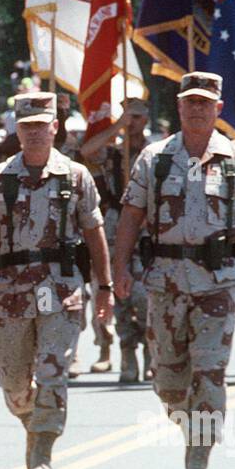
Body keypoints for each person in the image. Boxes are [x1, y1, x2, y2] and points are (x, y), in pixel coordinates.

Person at [112, 72, 235, 469]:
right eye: (191, 102)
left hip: (217, 282)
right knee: (169, 381)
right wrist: (118, 270)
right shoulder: (154, 158)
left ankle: (198, 455)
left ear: (218, 108)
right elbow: (131, 216)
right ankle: (187, 419)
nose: (198, 108)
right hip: (164, 280)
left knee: (210, 371)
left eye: (206, 102)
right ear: (179, 107)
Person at [0, 92, 113, 469]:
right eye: (26, 126)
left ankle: (43, 447)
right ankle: (32, 420)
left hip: (62, 289)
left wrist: (105, 287)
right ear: (17, 128)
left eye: (40, 126)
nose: (33, 133)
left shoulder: (76, 176)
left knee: (53, 369)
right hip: (11, 292)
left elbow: (94, 233)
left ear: (55, 127)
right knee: (14, 384)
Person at [83, 97, 152, 382]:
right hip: (115, 227)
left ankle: (150, 353)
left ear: (146, 120)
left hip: (148, 231)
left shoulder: (155, 153)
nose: (131, 122)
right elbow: (87, 150)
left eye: (135, 117)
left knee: (146, 296)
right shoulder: (112, 153)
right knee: (120, 295)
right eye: (127, 116)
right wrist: (117, 127)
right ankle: (127, 355)